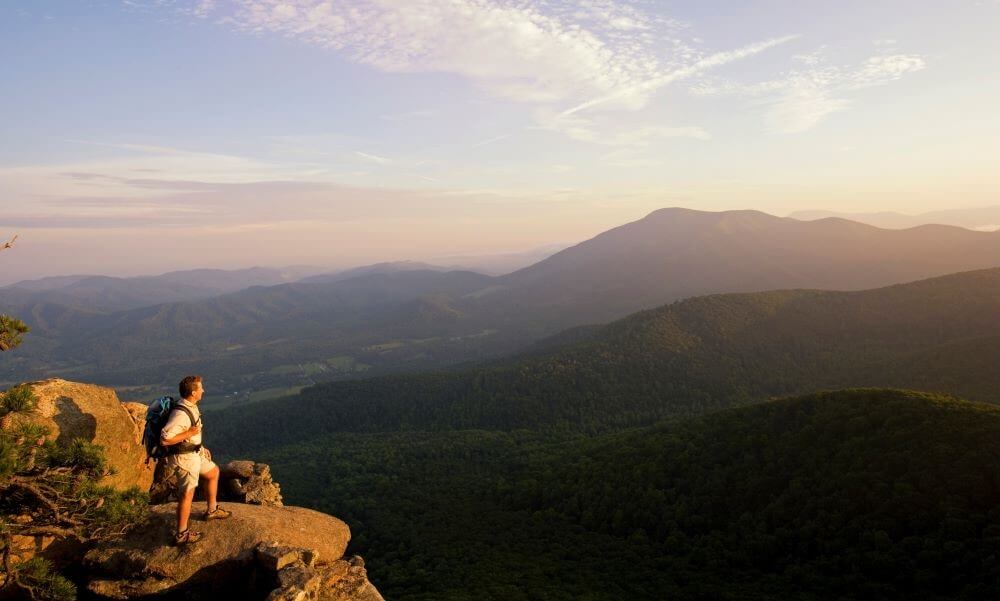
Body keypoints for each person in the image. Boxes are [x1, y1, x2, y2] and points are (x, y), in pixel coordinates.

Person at [160, 375, 231, 544]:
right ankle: (181, 533)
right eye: (201, 388)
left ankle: (212, 510)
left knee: (213, 472)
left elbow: (192, 430)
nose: (203, 391)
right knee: (187, 494)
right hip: (184, 459)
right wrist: (189, 434)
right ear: (193, 392)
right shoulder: (180, 413)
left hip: (194, 454)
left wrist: (199, 445)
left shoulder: (189, 406)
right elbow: (165, 438)